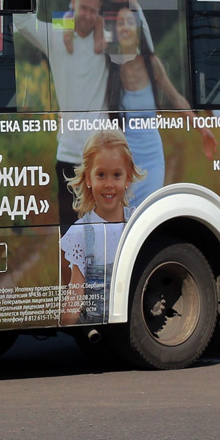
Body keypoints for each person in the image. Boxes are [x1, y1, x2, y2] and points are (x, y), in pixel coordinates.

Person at [109, 5, 217, 208]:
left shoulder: (151, 63)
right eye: (120, 22)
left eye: (130, 22)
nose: (125, 27)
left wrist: (201, 128)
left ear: (138, 29)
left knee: (149, 211)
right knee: (125, 215)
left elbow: (176, 99)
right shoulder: (111, 69)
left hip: (152, 155)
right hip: (123, 159)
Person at [41, 0, 113, 232]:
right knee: (70, 236)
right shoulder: (58, 35)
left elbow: (135, 37)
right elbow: (22, 22)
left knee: (103, 235)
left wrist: (103, 22)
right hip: (68, 156)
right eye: (83, 8)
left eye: (94, 11)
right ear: (73, 3)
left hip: (101, 160)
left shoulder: (106, 38)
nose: (88, 15)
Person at [60, 130, 145, 325]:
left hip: (132, 333)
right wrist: (66, 326)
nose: (109, 184)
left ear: (128, 178)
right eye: (101, 175)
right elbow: (76, 289)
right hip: (97, 333)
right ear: (88, 179)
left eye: (116, 175)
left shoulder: (137, 224)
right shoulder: (81, 232)